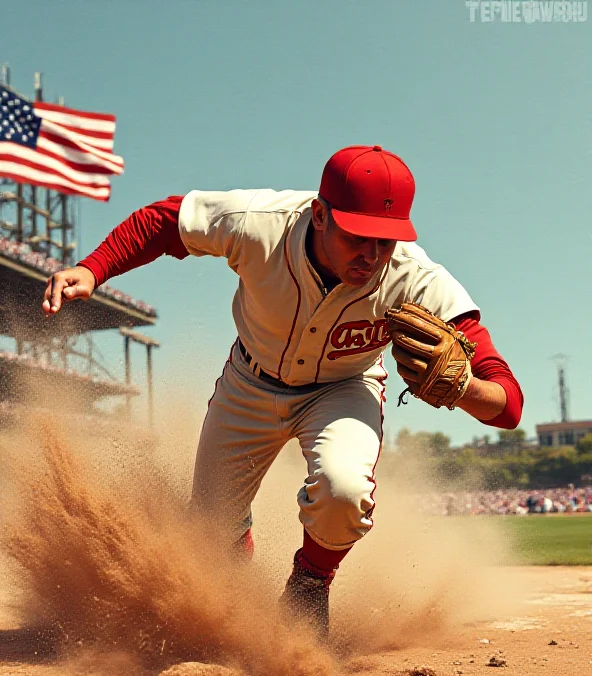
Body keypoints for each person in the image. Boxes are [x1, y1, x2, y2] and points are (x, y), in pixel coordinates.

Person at [42, 145, 523, 640]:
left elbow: (509, 403)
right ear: (319, 214)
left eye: (386, 242)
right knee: (210, 535)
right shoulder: (259, 224)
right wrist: (94, 268)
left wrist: (466, 389)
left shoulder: (416, 279)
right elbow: (166, 221)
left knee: (344, 491)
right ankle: (236, 565)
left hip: (344, 388)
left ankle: (310, 585)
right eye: (359, 236)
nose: (372, 256)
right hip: (249, 382)